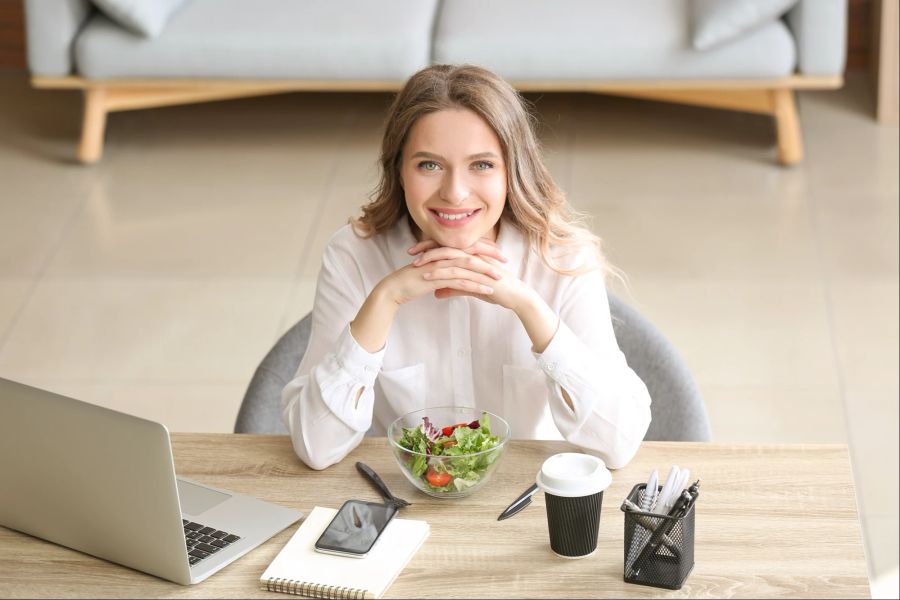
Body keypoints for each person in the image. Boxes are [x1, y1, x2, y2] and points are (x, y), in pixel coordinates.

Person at [282, 64, 651, 471]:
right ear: (399, 171)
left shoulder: (562, 257)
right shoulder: (354, 254)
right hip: (405, 499)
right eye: (429, 165)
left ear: (513, 171)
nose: (455, 193)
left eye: (482, 165)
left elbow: (618, 443)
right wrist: (385, 298)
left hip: (526, 499)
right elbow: (316, 446)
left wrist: (529, 307)